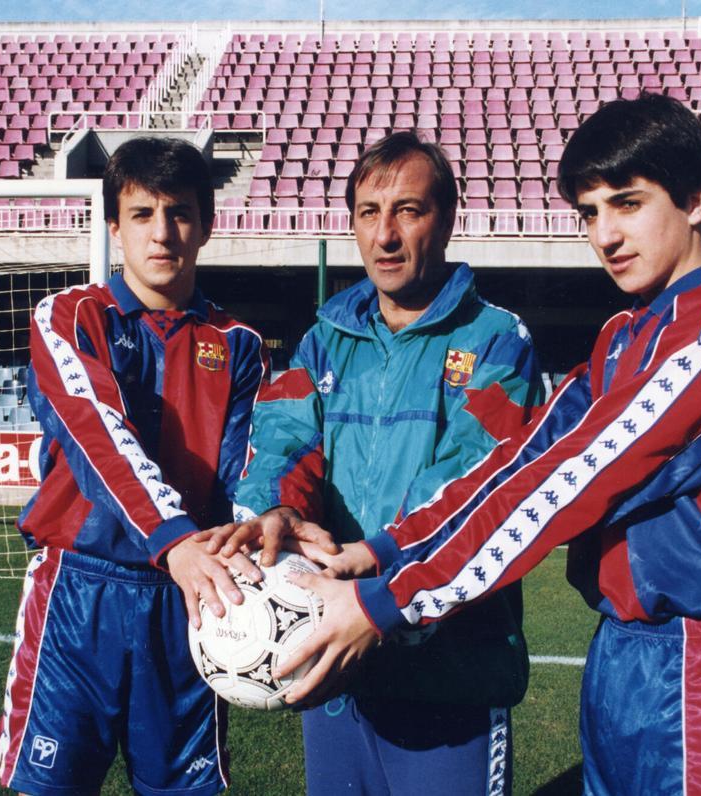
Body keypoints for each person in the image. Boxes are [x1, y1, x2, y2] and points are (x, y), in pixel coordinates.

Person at [266, 94, 701, 794]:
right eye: (589, 213)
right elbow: (518, 462)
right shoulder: (625, 336)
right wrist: (379, 552)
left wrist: (386, 600)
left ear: (696, 199)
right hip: (622, 655)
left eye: (627, 203)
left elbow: (573, 479)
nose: (606, 234)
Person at [221, 131, 543, 795]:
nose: (386, 235)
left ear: (447, 220)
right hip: (335, 662)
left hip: (448, 675)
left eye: (408, 210)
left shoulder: (496, 341)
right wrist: (279, 507)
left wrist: (372, 572)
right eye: (369, 212)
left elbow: (470, 478)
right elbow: (284, 439)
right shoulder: (324, 340)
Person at [0, 137, 268, 795]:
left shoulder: (239, 345)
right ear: (114, 226)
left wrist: (254, 551)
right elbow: (98, 438)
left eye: (179, 212)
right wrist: (173, 540)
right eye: (142, 214)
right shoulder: (71, 316)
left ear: (206, 223)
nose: (162, 231)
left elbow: (243, 475)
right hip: (79, 595)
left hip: (188, 602)